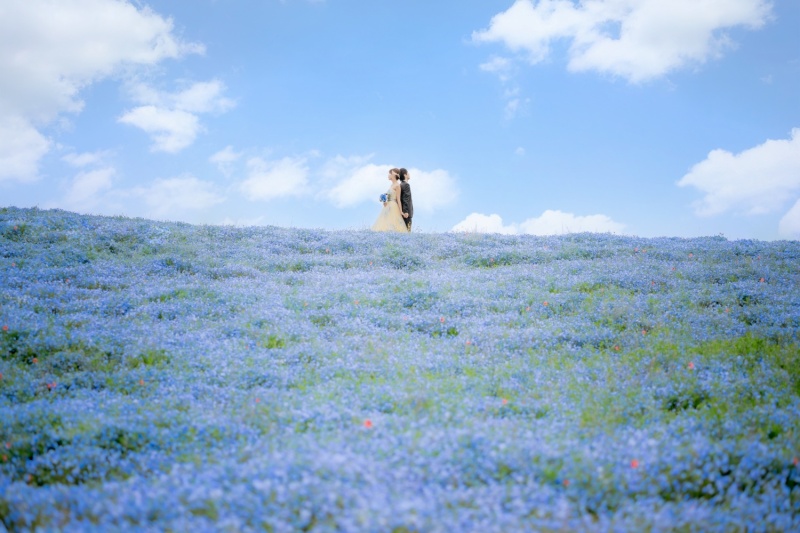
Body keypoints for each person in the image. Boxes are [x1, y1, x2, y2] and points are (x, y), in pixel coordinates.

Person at [371, 168, 408, 232]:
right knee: (385, 221)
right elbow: (388, 196)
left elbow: (398, 199)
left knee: (393, 222)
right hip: (388, 206)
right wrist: (384, 201)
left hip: (393, 206)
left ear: (394, 175)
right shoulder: (391, 185)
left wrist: (401, 211)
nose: (388, 175)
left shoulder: (397, 186)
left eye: (390, 174)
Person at [398, 168, 413, 232]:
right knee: (407, 231)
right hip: (406, 213)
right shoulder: (406, 185)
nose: (409, 174)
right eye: (408, 173)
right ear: (405, 175)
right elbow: (405, 198)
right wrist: (406, 211)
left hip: (402, 212)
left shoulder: (401, 185)